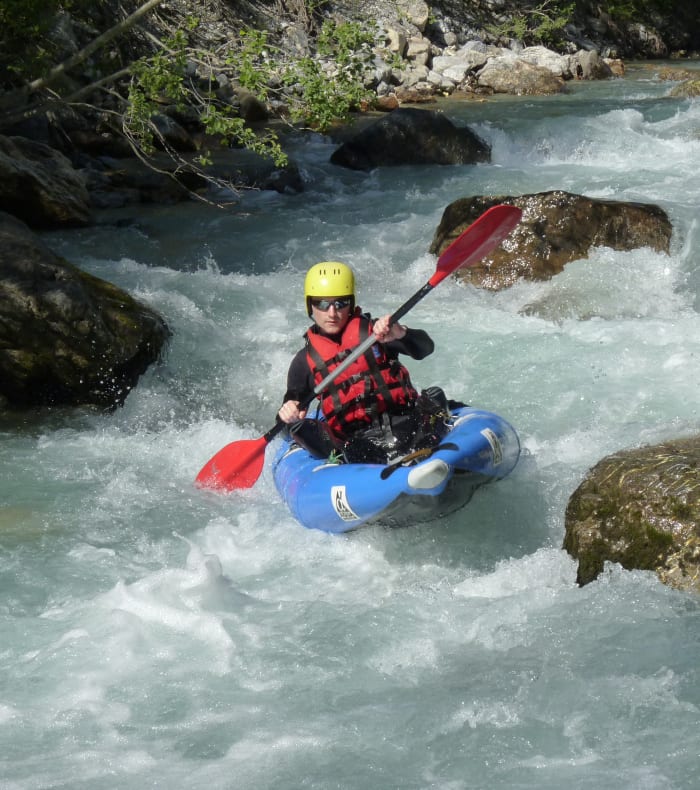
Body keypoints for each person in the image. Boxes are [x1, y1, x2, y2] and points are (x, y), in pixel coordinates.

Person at [277, 261, 452, 464]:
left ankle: (433, 441)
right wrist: (288, 415)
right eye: (322, 304)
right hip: (358, 443)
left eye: (340, 303)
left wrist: (401, 333)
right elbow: (285, 426)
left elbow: (425, 349)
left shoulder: (377, 332)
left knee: (434, 397)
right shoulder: (304, 362)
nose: (332, 313)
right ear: (310, 306)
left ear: (351, 303)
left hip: (406, 421)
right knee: (304, 430)